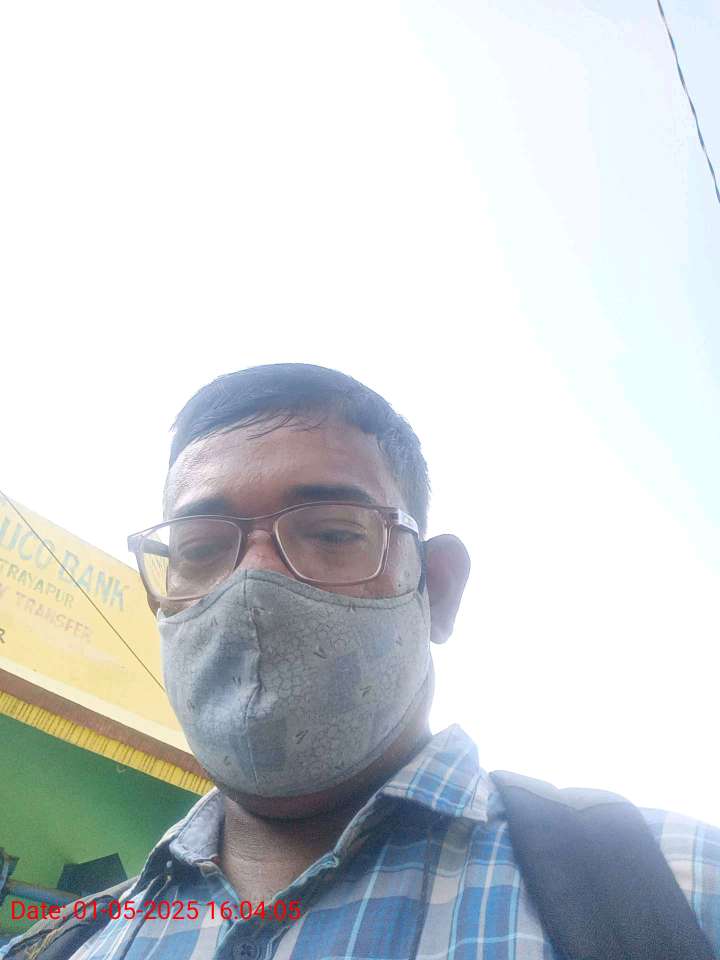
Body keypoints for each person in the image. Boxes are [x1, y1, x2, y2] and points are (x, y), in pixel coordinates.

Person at [3, 363, 719, 960]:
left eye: (333, 534)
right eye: (200, 548)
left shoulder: (680, 890)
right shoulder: (63, 947)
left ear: (437, 590)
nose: (253, 580)